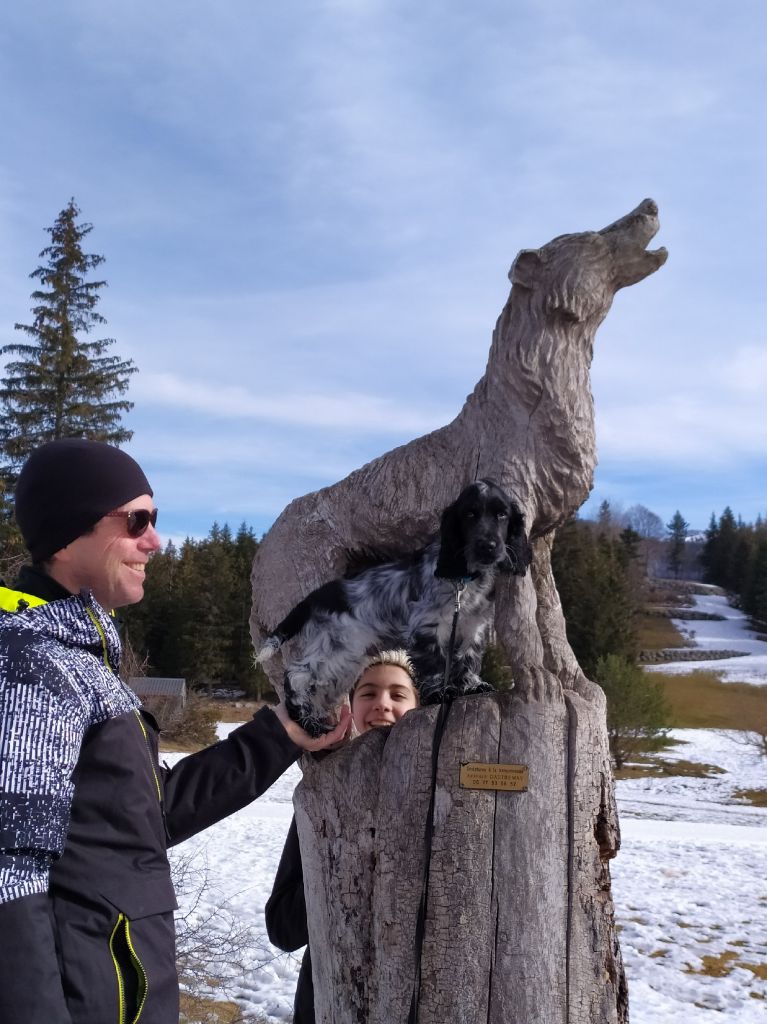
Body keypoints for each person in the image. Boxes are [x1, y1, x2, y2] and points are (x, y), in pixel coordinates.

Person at [0, 438, 351, 1024]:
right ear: (69, 531)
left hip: (116, 988)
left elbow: (145, 815)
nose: (155, 541)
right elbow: (11, 872)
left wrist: (281, 735)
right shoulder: (31, 663)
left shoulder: (80, 662)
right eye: (136, 520)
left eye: (155, 521)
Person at [265, 649, 419, 1024]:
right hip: (327, 1002)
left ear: (421, 707)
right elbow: (283, 928)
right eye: (368, 693)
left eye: (398, 695)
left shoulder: (444, 801)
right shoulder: (324, 795)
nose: (382, 704)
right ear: (350, 704)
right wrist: (340, 862)